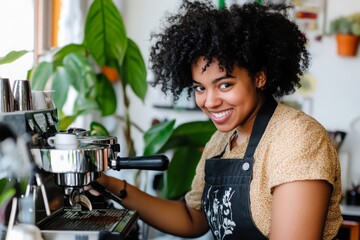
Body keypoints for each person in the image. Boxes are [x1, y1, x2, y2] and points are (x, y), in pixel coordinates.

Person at [93, 0, 342, 239]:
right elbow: (192, 218)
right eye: (199, 88)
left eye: (224, 84)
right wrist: (111, 185)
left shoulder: (296, 138)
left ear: (260, 77)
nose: (209, 101)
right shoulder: (221, 141)